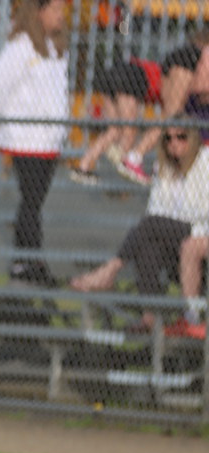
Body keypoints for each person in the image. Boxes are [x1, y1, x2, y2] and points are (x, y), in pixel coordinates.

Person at [70, 122, 209, 339]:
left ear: (192, 138)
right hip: (171, 236)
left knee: (150, 225)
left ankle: (110, 270)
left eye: (181, 137)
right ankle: (150, 315)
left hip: (201, 231)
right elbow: (155, 209)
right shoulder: (163, 167)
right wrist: (167, 223)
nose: (174, 144)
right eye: (168, 138)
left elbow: (202, 215)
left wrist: (169, 222)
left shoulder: (205, 162)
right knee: (148, 242)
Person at [0, 0, 69, 287]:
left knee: (34, 201)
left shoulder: (55, 48)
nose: (60, 15)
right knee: (32, 200)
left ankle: (24, 261)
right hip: (25, 138)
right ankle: (31, 261)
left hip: (48, 139)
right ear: (39, 12)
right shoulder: (21, 46)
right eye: (55, 10)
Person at [112, 29, 209, 186]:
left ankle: (143, 159)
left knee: (170, 118)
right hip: (183, 63)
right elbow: (203, 85)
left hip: (176, 62)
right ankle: (135, 156)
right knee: (172, 118)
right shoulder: (200, 54)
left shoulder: (193, 54)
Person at [70, 56, 161, 186]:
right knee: (129, 127)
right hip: (130, 77)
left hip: (114, 73)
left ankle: (83, 166)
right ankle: (125, 165)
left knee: (114, 129)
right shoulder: (168, 83)